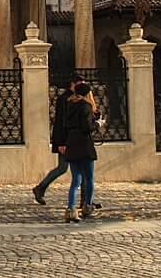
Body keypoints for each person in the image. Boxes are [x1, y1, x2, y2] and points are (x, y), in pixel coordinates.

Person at [32, 75, 82, 204]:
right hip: (66, 139)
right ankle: (40, 188)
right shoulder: (65, 98)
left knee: (75, 169)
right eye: (80, 84)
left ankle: (86, 200)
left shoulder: (77, 98)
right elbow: (61, 121)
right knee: (63, 168)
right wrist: (61, 142)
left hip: (74, 139)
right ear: (73, 84)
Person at [63, 81, 105, 223]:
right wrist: (98, 123)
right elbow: (87, 126)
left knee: (76, 180)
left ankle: (71, 209)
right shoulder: (85, 106)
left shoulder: (69, 105)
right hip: (84, 144)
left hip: (72, 143)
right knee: (89, 178)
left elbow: (66, 124)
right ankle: (87, 206)